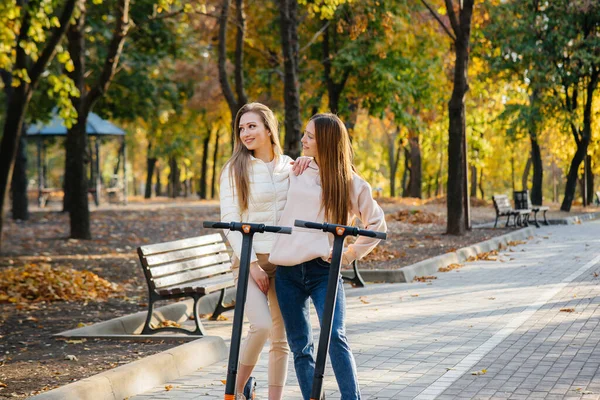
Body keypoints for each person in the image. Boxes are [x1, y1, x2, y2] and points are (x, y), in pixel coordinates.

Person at [269, 113, 387, 400]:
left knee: (334, 336)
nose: (303, 140)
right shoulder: (296, 170)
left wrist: (347, 255)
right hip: (287, 274)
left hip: (324, 272)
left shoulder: (351, 182)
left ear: (327, 142)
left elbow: (377, 225)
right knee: (301, 346)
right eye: (305, 134)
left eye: (310, 136)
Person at [219, 102, 309, 400]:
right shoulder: (234, 170)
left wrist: (309, 164)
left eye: (252, 126)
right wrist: (251, 265)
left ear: (269, 129)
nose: (245, 133)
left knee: (280, 338)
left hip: (284, 261)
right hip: (249, 260)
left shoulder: (290, 166)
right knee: (259, 326)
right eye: (241, 128)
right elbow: (231, 224)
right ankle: (234, 391)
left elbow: (307, 198)